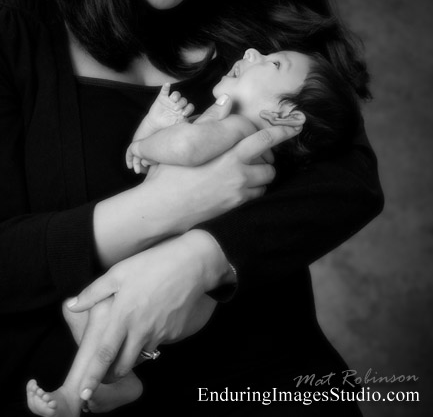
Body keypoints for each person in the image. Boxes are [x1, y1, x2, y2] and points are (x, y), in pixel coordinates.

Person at [0, 0, 383, 415]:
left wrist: (202, 259)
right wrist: (176, 205)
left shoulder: (253, 25)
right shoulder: (11, 26)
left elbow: (348, 178)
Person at [25, 41, 362, 416]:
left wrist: (155, 141)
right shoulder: (222, 126)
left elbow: (182, 148)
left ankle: (74, 394)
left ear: (286, 116)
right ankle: (120, 381)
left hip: (188, 295)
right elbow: (143, 159)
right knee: (80, 310)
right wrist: (153, 129)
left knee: (97, 311)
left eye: (273, 63)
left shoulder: (240, 130)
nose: (252, 52)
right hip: (161, 278)